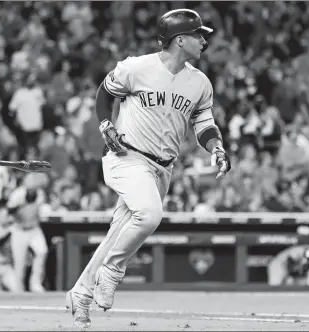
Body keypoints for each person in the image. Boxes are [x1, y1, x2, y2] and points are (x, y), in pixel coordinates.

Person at [66, 9, 231, 329]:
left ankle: (80, 294)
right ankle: (111, 272)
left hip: (162, 169)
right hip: (126, 156)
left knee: (119, 232)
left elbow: (205, 125)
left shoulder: (199, 82)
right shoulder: (136, 67)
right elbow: (104, 92)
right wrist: (104, 123)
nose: (203, 40)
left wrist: (217, 147)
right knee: (150, 215)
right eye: (198, 35)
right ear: (179, 40)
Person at [7, 173, 48, 292]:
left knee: (42, 251)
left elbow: (37, 210)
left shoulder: (40, 194)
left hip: (34, 229)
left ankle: (35, 283)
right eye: (31, 184)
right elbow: (9, 211)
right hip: (19, 230)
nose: (33, 187)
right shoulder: (17, 194)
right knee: (19, 261)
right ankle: (18, 288)